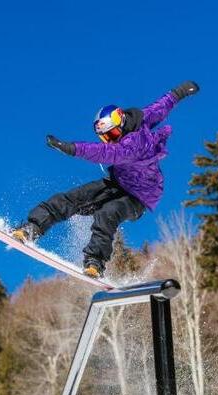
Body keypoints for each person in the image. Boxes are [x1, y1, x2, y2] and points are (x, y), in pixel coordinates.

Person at [12, 80, 200, 278]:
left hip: (139, 197)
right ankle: (32, 227)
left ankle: (95, 262)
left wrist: (71, 148)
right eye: (106, 137)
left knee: (107, 213)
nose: (112, 140)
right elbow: (162, 105)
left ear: (121, 122)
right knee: (74, 198)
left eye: (113, 134)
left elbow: (102, 153)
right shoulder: (139, 120)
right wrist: (180, 92)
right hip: (118, 183)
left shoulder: (131, 145)